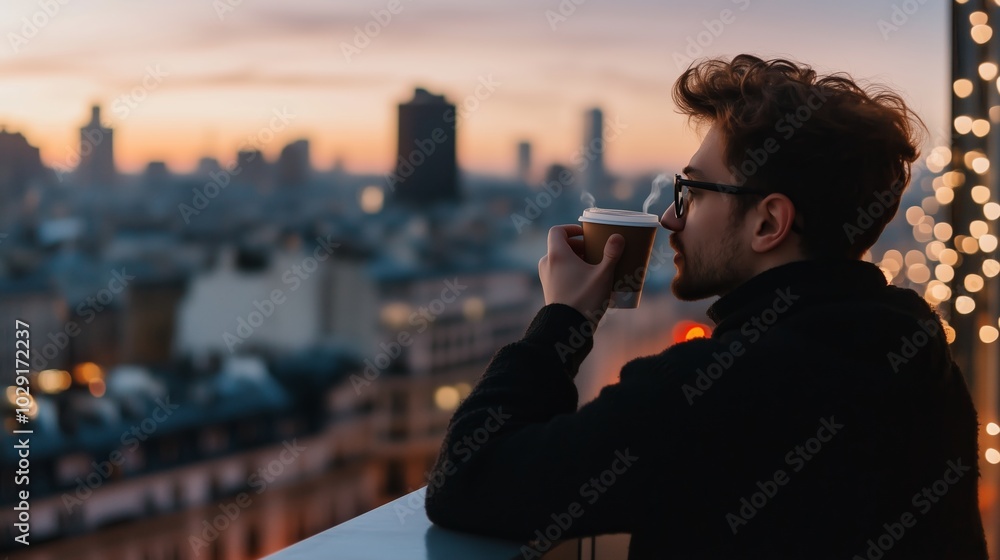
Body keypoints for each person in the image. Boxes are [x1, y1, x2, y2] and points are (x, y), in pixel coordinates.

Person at [424, 54, 989, 559]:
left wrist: (563, 320)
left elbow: (467, 481)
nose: (671, 218)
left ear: (768, 222)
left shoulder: (719, 388)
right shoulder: (915, 348)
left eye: (692, 193)